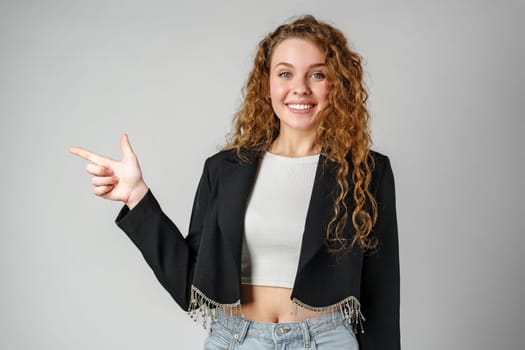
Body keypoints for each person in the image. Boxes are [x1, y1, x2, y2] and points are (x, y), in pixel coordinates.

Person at [70, 15, 400, 350]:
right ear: (267, 84)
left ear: (337, 84)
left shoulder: (367, 172)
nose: (300, 87)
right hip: (236, 340)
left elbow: (381, 294)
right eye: (285, 73)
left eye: (317, 74)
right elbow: (192, 287)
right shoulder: (224, 169)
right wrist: (136, 197)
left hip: (327, 341)